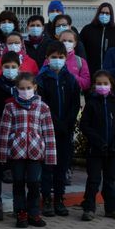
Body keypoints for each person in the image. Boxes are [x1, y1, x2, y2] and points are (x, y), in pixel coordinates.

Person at [0, 71, 56, 228]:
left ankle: (34, 213)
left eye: (28, 87)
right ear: (17, 88)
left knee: (34, 183)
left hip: (36, 153)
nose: (25, 90)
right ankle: (21, 213)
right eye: (22, 88)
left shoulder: (43, 107)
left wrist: (51, 157)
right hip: (17, 154)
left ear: (34, 87)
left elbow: (48, 133)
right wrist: (1, 155)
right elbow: (4, 132)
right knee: (18, 183)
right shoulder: (10, 107)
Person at [36, 42, 80, 218]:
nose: (57, 60)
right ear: (47, 59)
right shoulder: (41, 79)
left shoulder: (70, 79)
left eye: (60, 57)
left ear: (65, 59)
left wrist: (67, 124)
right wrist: (55, 123)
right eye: (53, 57)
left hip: (65, 131)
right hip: (47, 130)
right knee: (47, 168)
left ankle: (59, 199)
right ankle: (46, 199)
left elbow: (75, 104)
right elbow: (42, 103)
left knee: (62, 167)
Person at [0, 50, 31, 220]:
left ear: (19, 68)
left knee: (17, 172)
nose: (10, 69)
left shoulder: (23, 88)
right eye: (6, 66)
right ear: (1, 67)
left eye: (13, 67)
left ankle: (18, 205)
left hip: (18, 134)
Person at [79, 71, 115, 221]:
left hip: (113, 151)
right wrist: (98, 142)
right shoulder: (91, 103)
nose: (102, 86)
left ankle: (111, 208)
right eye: (99, 84)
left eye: (105, 84)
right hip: (96, 150)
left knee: (110, 180)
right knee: (93, 180)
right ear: (94, 86)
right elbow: (85, 125)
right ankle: (88, 208)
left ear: (111, 85)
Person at [79, 3, 115, 75]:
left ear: (111, 15)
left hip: (110, 72)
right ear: (98, 14)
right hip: (90, 71)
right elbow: (80, 48)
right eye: (102, 13)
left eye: (107, 13)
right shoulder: (87, 29)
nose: (104, 15)